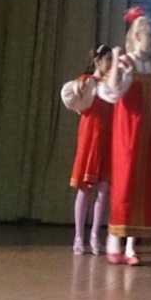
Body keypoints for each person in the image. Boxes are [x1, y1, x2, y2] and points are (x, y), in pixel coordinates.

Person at [106, 8, 151, 265]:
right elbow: (114, 91)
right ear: (137, 36)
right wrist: (116, 59)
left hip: (148, 134)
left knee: (144, 185)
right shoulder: (126, 62)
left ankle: (131, 246)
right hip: (128, 132)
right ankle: (114, 239)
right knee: (125, 183)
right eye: (150, 36)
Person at [60, 45, 114, 256]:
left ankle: (94, 235)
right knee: (84, 188)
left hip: (107, 140)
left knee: (104, 190)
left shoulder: (111, 84)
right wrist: (78, 88)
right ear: (98, 61)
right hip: (90, 138)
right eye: (108, 60)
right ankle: (78, 236)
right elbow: (69, 95)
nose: (111, 64)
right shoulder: (86, 81)